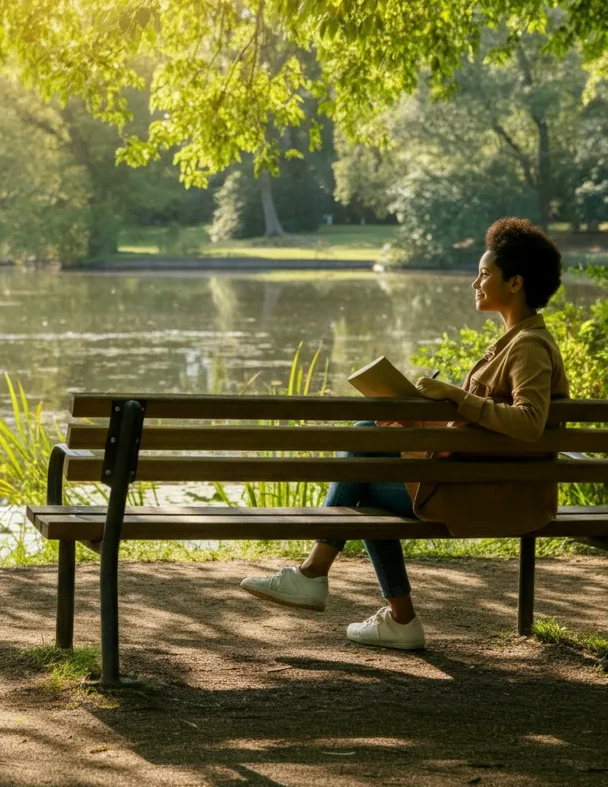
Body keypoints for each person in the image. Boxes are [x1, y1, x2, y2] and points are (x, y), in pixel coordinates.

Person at [240, 217, 570, 650]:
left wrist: (456, 395)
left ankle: (323, 578)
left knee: (366, 462)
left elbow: (527, 422)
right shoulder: (515, 343)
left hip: (494, 496)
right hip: (485, 484)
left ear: (515, 284)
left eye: (485, 273)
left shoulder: (527, 347)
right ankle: (384, 612)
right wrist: (422, 423)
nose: (475, 281)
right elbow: (486, 432)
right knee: (370, 443)